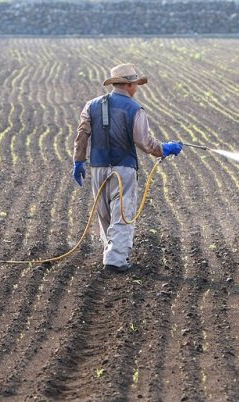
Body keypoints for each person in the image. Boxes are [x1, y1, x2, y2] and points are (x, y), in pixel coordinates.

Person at [72, 63, 183, 273]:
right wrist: (165, 149)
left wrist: (78, 161)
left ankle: (111, 251)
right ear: (130, 85)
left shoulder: (91, 105)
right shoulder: (134, 109)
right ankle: (115, 259)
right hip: (124, 169)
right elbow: (144, 141)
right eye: (136, 84)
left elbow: (82, 135)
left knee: (104, 213)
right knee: (122, 213)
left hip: (98, 168)